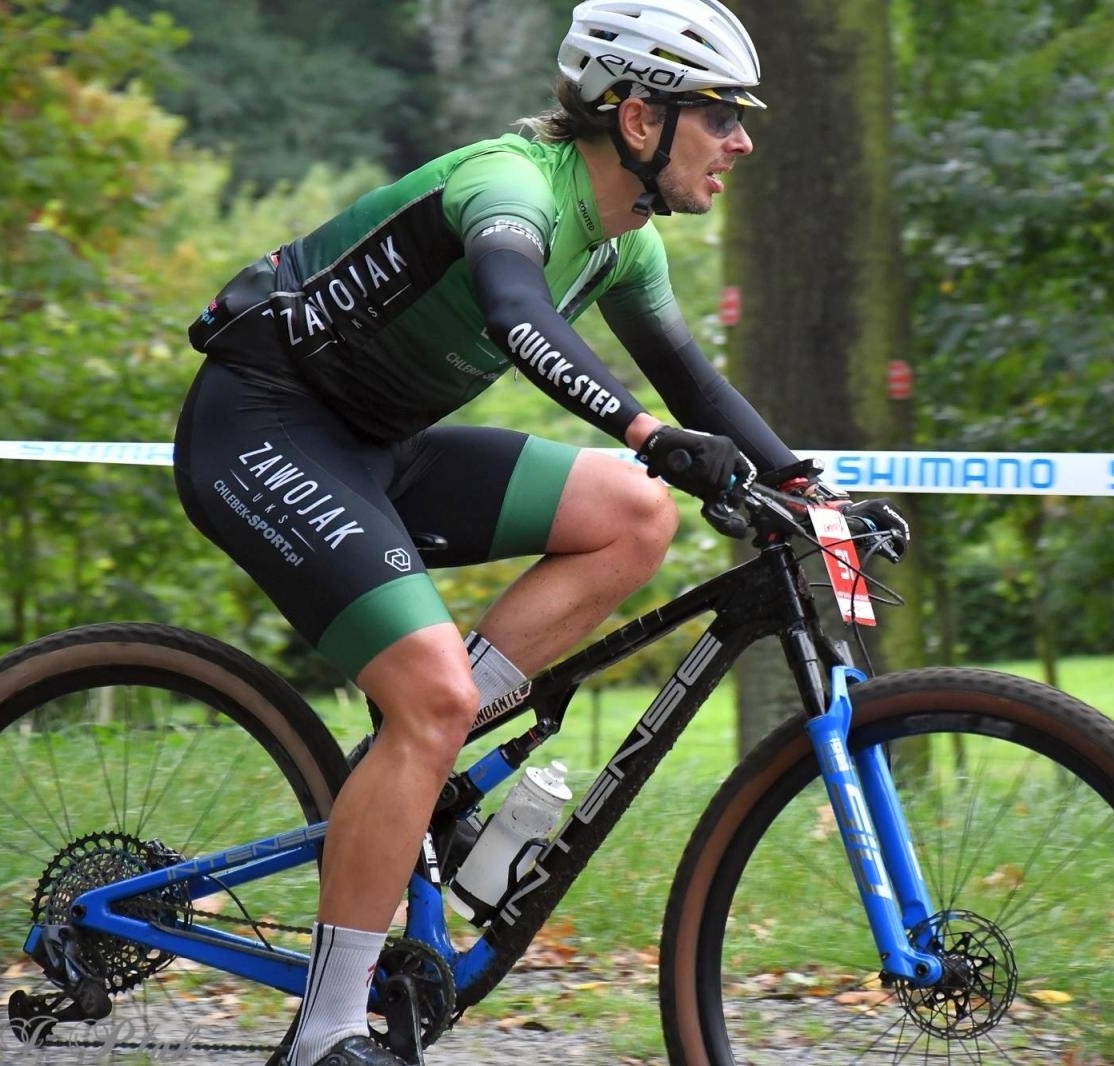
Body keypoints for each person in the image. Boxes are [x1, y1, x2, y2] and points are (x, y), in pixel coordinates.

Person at [173, 1, 908, 1063]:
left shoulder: (624, 244)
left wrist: (808, 491)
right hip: (262, 425)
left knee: (636, 513)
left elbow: (696, 381)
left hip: (378, 443)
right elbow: (520, 314)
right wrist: (653, 434)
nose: (742, 141)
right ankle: (326, 1035)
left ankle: (426, 764)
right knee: (431, 688)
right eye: (720, 115)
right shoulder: (510, 188)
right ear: (640, 118)